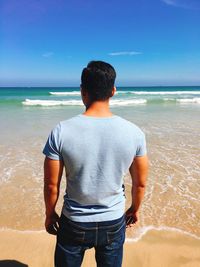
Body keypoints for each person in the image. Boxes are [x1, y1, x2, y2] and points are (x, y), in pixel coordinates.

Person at [43, 60, 148, 267]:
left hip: (74, 222)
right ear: (113, 91)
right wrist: (134, 209)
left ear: (83, 91)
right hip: (113, 221)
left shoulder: (61, 131)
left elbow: (51, 185)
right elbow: (140, 183)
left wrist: (50, 214)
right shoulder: (134, 133)